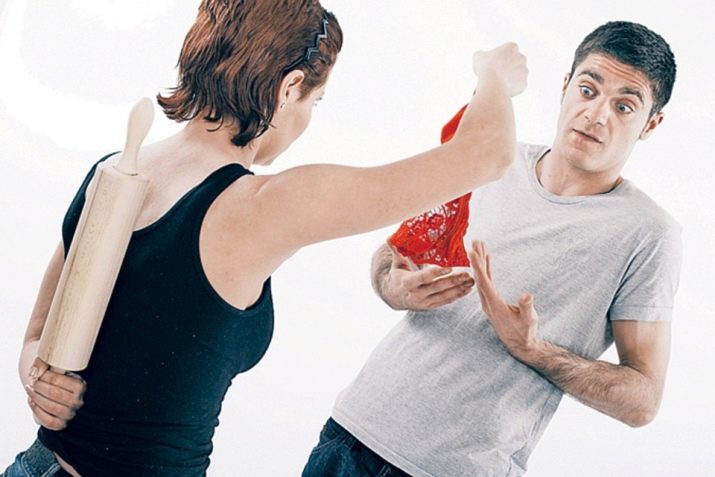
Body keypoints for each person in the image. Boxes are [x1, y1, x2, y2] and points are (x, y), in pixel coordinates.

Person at [2, 1, 529, 476]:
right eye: (316, 101)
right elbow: (486, 155)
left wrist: (37, 379)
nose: (307, 118)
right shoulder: (261, 208)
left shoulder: (114, 169)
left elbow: (36, 339)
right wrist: (494, 74)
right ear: (290, 86)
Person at [303, 20, 681, 477]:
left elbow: (642, 401)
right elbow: (394, 253)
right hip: (350, 436)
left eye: (624, 106)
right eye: (587, 90)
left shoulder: (648, 233)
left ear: (651, 124)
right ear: (565, 87)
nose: (597, 115)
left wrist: (532, 348)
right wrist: (393, 285)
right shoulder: (490, 157)